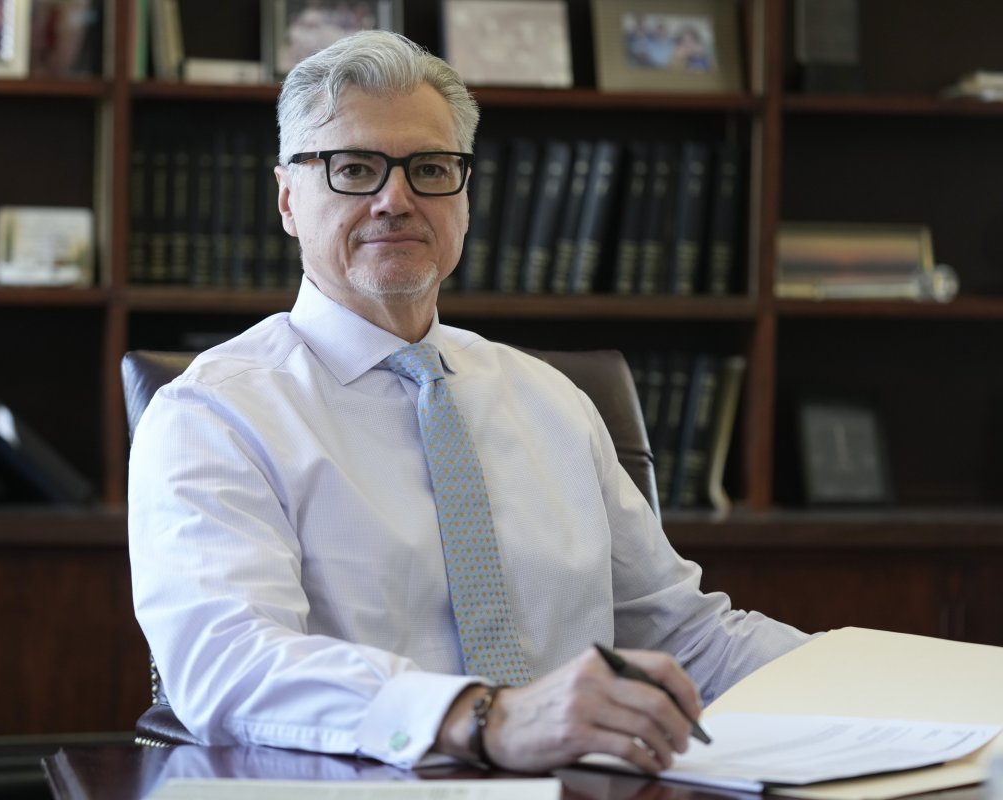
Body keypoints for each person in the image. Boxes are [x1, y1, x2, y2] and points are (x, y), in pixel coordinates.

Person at [128, 29, 811, 775]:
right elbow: (228, 665)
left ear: (464, 197)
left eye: (429, 169)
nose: (396, 199)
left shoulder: (553, 400)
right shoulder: (212, 415)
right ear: (289, 199)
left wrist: (908, 683)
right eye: (353, 168)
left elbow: (688, 638)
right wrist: (483, 719)